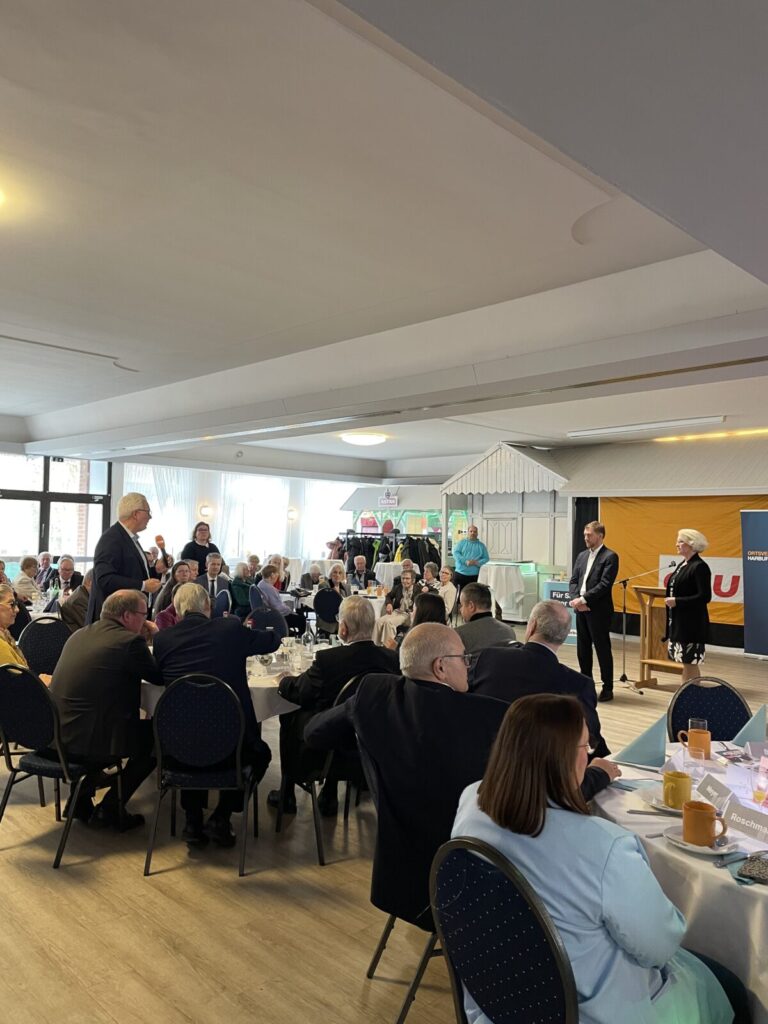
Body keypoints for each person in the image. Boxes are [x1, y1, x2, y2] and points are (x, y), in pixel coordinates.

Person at [452, 694, 740, 1024]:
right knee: (727, 984)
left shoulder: (470, 801)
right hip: (584, 1010)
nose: (589, 758)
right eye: (586, 748)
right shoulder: (604, 847)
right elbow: (660, 947)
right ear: (564, 759)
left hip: (495, 998)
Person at [304, 623, 508, 929]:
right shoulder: (491, 716)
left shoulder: (372, 694)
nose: (468, 666)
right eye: (463, 658)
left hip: (399, 878)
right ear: (440, 667)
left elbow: (314, 733)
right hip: (470, 881)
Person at [153, 583, 284, 846]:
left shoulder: (163, 639)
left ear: (177, 611)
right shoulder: (230, 629)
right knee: (260, 754)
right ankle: (221, 816)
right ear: (208, 606)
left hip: (176, 746)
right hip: (231, 746)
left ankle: (192, 820)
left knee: (194, 735)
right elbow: (272, 642)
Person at [270, 595, 399, 815]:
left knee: (290, 716)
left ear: (344, 629)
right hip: (374, 744)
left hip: (328, 746)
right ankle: (329, 793)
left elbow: (300, 692)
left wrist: (282, 681)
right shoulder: (392, 659)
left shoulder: (329, 660)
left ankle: (287, 794)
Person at [49, 590, 162, 828]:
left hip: (55, 733)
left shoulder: (80, 633)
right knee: (157, 738)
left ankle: (79, 800)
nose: (146, 620)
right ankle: (111, 808)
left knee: (109, 723)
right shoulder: (130, 642)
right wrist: (158, 638)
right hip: (87, 741)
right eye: (144, 614)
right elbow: (158, 677)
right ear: (128, 615)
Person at [471, 599, 612, 761]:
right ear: (564, 637)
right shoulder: (578, 684)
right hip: (541, 768)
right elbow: (591, 740)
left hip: (483, 758)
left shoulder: (489, 657)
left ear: (532, 626)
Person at [86, 492, 162, 624]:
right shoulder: (112, 539)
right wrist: (143, 585)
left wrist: (156, 569)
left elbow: (132, 572)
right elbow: (105, 579)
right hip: (114, 621)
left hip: (127, 617)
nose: (150, 517)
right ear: (136, 514)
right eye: (148, 512)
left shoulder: (129, 538)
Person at [568, 520, 619, 703]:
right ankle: (586, 684)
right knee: (583, 649)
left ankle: (607, 687)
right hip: (581, 609)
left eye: (589, 535)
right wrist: (576, 600)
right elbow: (574, 580)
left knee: (602, 649)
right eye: (584, 535)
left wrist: (584, 599)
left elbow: (605, 584)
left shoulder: (610, 556)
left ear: (600, 535)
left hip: (598, 610)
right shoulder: (581, 556)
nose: (585, 538)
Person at [665, 529, 713, 684]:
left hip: (691, 625)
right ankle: (691, 695)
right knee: (687, 663)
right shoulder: (682, 565)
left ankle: (687, 697)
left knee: (689, 662)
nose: (676, 544)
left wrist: (678, 601)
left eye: (680, 541)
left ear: (692, 544)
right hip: (679, 622)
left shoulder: (699, 566)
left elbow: (705, 596)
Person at [455, 582, 517, 653]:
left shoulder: (459, 634)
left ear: (471, 606)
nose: (460, 610)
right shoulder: (509, 631)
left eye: (462, 605)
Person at [383, 590, 447, 650]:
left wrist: (396, 648)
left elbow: (408, 660)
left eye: (413, 610)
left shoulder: (418, 640)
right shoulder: (442, 636)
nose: (411, 613)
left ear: (422, 614)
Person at [373, 568, 417, 646]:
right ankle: (375, 647)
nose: (404, 581)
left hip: (407, 614)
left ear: (413, 580)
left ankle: (388, 649)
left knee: (388, 623)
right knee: (378, 622)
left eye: (407, 578)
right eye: (403, 578)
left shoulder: (418, 590)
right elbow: (388, 596)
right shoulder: (398, 587)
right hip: (397, 611)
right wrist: (389, 604)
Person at [256, 563, 305, 633]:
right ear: (272, 575)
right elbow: (278, 607)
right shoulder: (269, 588)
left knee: (294, 613)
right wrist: (289, 610)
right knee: (301, 619)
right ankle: (300, 639)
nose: (278, 575)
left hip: (267, 614)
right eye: (277, 573)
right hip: (276, 616)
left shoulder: (261, 583)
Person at [452, 524, 490, 591]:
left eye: (475, 531)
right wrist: (465, 561)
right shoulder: (461, 543)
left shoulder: (481, 546)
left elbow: (486, 558)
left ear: (477, 533)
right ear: (468, 532)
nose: (473, 533)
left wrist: (477, 562)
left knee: (472, 597)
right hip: (460, 574)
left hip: (474, 576)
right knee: (457, 596)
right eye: (471, 531)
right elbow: (455, 553)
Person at [0, 584, 30, 667]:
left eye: (16, 604)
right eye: (11, 604)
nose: (17, 609)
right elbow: (16, 678)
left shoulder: (5, 633)